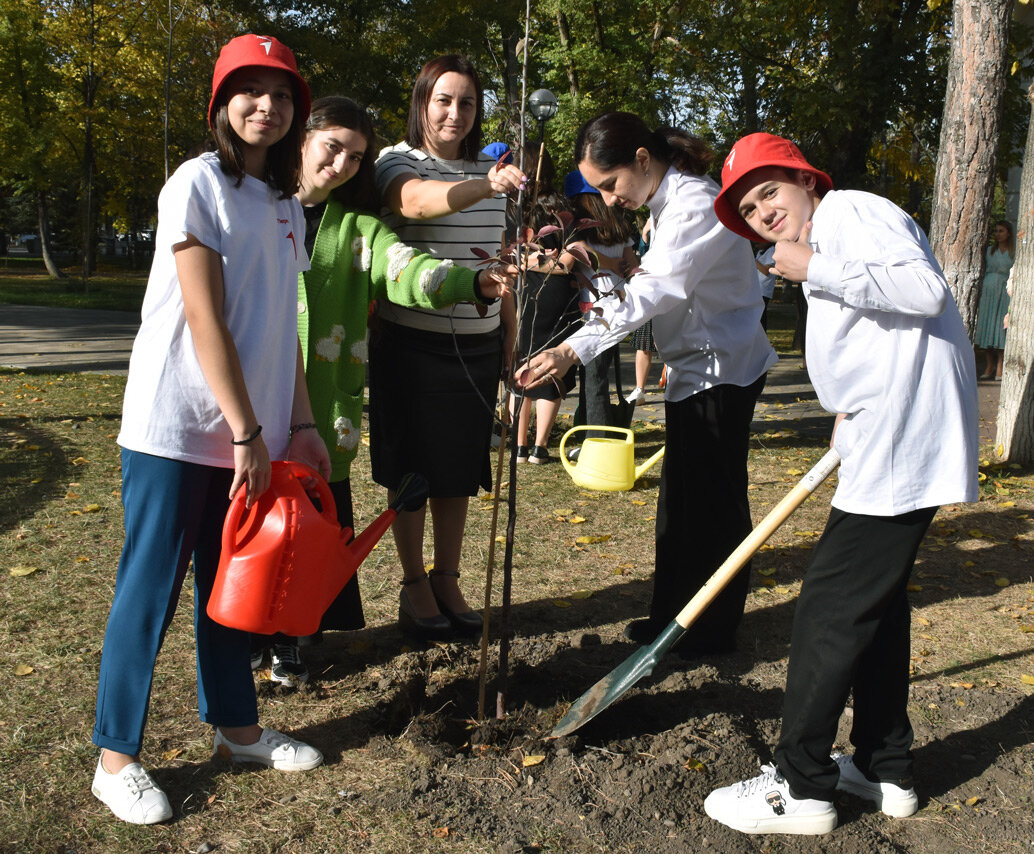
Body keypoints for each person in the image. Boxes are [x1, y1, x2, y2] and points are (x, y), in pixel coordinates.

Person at [704, 132, 977, 835]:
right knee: (875, 610)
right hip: (885, 430)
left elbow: (922, 290)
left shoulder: (849, 213)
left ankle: (801, 787)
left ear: (805, 181)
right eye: (748, 208)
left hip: (904, 438)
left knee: (828, 608)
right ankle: (886, 767)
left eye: (769, 193)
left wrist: (815, 264)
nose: (763, 213)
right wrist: (846, 409)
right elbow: (879, 334)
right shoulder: (836, 231)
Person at [90, 34, 330, 825]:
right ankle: (115, 756)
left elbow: (281, 327)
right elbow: (205, 320)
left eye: (283, 94)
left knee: (236, 589)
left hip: (255, 433)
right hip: (178, 429)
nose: (268, 106)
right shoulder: (197, 184)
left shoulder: (287, 205)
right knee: (149, 590)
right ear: (223, 103)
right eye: (250, 91)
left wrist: (297, 423)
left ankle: (237, 729)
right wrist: (244, 433)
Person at [248, 98, 515, 683]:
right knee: (251, 521)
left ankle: (296, 635)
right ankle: (244, 633)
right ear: (302, 140)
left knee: (310, 524)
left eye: (357, 156)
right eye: (333, 147)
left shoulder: (355, 228)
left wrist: (474, 282)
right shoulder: (255, 207)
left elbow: (408, 269)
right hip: (251, 397)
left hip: (319, 404)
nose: (342, 163)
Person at [518, 112, 776, 657]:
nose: (608, 201)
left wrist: (571, 348)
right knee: (680, 505)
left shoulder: (694, 205)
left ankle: (710, 628)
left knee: (713, 508)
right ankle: (673, 616)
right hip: (695, 370)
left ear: (641, 158)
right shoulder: (665, 205)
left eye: (610, 185)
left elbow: (654, 292)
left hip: (722, 372)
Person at [370, 55, 526, 640]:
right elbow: (412, 203)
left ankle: (448, 576)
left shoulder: (494, 174)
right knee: (412, 471)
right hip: (410, 344)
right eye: (443, 100)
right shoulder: (397, 161)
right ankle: (413, 584)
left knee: (459, 468)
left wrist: (510, 337)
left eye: (466, 102)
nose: (455, 113)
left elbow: (499, 261)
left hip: (478, 345)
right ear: (422, 102)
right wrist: (486, 182)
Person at [510, 148, 582, 464]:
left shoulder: (514, 209)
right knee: (549, 362)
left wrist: (526, 260)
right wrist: (549, 259)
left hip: (526, 289)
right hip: (554, 292)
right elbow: (567, 260)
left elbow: (508, 253)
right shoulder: (563, 208)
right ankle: (539, 446)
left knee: (523, 361)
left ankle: (521, 445)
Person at [564, 168, 639, 432]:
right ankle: (584, 425)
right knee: (596, 374)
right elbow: (632, 266)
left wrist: (600, 260)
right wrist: (615, 265)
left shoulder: (578, 230)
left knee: (594, 377)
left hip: (593, 311)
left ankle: (596, 438)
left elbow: (576, 256)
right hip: (619, 307)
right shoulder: (620, 225)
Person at [974, 220, 1015, 380]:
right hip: (989, 290)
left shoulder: (1013, 253)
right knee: (987, 325)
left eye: (1001, 231)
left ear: (1008, 233)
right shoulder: (989, 251)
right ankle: (989, 365)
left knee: (1001, 327)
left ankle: (1000, 365)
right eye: (996, 231)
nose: (998, 234)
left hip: (1005, 291)